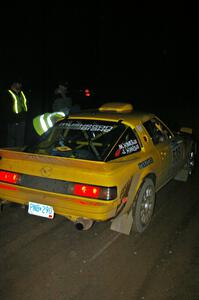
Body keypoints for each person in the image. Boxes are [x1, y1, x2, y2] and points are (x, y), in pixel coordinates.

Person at [0, 79, 28, 147]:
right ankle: (10, 155)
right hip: (12, 121)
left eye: (20, 84)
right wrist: (11, 119)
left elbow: (25, 105)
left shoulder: (22, 93)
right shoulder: (7, 93)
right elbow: (5, 108)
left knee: (20, 140)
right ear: (13, 84)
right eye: (18, 83)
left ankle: (19, 155)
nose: (20, 85)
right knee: (11, 141)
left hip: (22, 120)